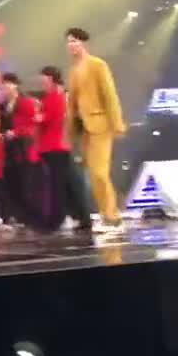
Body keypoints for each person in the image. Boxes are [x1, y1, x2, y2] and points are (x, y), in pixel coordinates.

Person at [66, 27, 126, 229]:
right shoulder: (74, 70)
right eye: (69, 41)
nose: (71, 45)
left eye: (74, 41)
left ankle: (112, 217)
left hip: (100, 124)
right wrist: (70, 130)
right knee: (93, 175)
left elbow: (110, 95)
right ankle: (106, 215)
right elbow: (72, 103)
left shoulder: (97, 65)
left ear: (84, 43)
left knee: (100, 173)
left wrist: (117, 123)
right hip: (84, 128)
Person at [38, 66, 91, 233]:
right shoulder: (56, 96)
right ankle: (81, 218)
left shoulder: (56, 96)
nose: (42, 83)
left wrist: (38, 117)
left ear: (51, 79)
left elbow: (50, 118)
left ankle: (57, 219)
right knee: (67, 184)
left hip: (55, 146)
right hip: (58, 146)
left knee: (59, 186)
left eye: (44, 79)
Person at [0, 73, 43, 229]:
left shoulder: (25, 102)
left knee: (26, 183)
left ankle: (30, 217)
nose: (6, 87)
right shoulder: (5, 104)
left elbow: (32, 124)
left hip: (24, 148)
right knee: (13, 183)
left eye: (8, 84)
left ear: (15, 85)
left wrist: (16, 132)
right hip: (10, 149)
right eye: (4, 84)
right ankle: (18, 216)